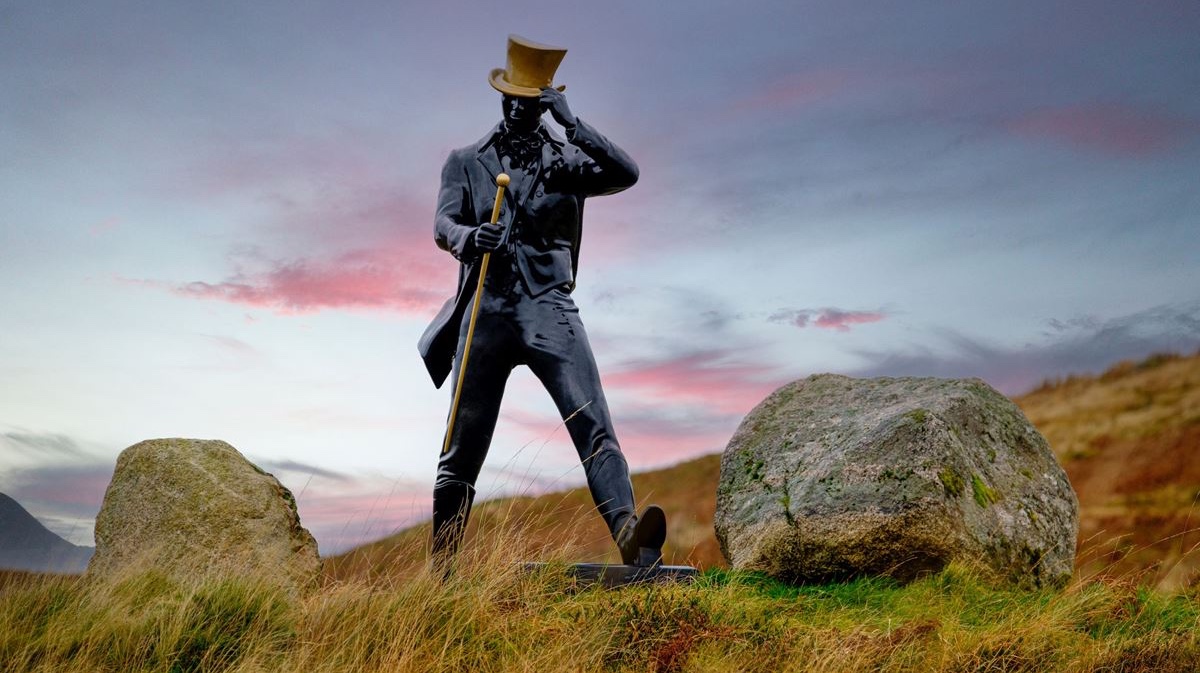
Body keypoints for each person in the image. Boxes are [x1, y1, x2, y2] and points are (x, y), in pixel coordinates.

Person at [418, 34, 665, 569]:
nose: (516, 109)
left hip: (549, 307)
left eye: (528, 103)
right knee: (462, 445)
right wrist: (468, 238)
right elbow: (443, 224)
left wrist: (574, 126)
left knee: (592, 420)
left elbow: (625, 173)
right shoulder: (464, 161)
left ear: (545, 104)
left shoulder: (569, 159)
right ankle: (443, 569)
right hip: (486, 309)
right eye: (510, 99)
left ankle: (629, 534)